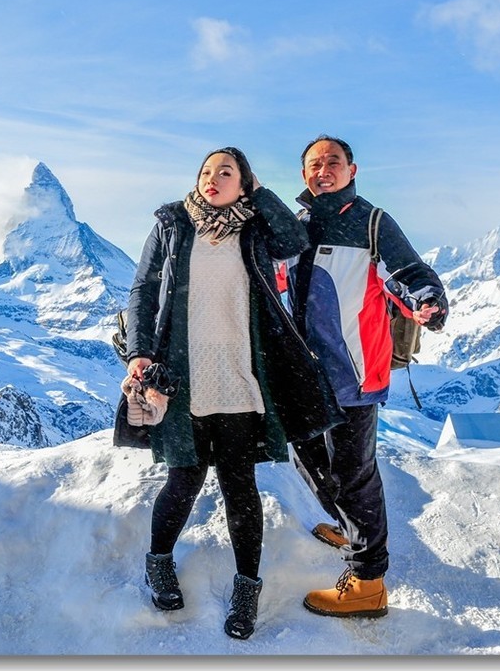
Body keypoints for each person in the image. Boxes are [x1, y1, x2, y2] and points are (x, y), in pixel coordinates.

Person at [118, 147, 345, 640]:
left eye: (227, 172)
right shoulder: (172, 224)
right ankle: (159, 563)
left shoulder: (256, 227)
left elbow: (296, 239)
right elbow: (142, 290)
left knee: (239, 488)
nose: (213, 178)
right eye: (206, 171)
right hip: (182, 377)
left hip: (241, 376)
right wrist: (138, 352)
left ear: (245, 184)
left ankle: (247, 588)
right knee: (183, 481)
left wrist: (261, 197)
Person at [281, 134, 448, 618]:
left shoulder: (372, 222)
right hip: (305, 375)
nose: (324, 169)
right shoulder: (298, 225)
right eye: (315, 163)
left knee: (353, 474)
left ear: (352, 171)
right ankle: (352, 528)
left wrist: (426, 301)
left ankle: (368, 580)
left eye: (334, 161)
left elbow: (409, 272)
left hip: (354, 373)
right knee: (308, 457)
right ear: (304, 175)